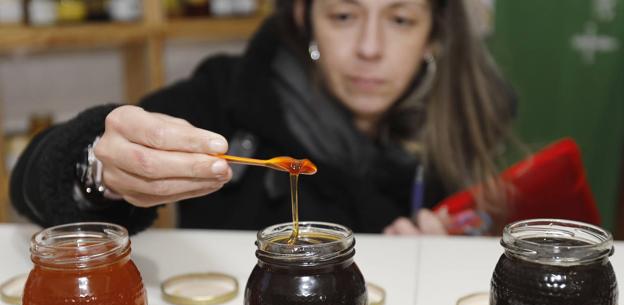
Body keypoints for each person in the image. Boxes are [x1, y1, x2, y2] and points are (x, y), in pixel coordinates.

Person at [10, 0, 516, 236]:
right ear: (305, 17)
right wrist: (96, 168)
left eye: (400, 20)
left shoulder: (459, 125)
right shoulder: (230, 95)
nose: (369, 48)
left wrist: (440, 260)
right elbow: (29, 182)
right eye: (344, 16)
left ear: (432, 34)